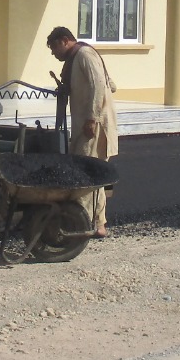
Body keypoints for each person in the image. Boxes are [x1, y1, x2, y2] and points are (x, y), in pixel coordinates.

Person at [47, 25, 119, 237]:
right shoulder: (77, 58)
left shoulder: (84, 55)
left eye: (53, 48)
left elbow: (99, 85)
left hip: (93, 127)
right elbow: (111, 85)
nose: (53, 53)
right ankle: (99, 224)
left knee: (85, 174)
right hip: (86, 124)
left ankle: (83, 223)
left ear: (64, 41)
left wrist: (92, 117)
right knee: (94, 176)